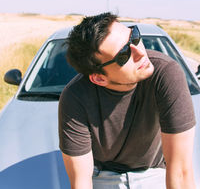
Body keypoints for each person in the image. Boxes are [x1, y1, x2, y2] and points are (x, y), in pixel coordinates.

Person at [58, 12, 196, 189]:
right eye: (124, 54)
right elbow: (81, 182)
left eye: (135, 37)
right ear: (99, 78)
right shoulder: (75, 97)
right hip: (101, 176)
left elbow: (181, 173)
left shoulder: (166, 74)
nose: (140, 52)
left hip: (154, 173)